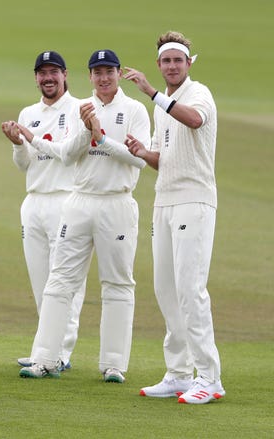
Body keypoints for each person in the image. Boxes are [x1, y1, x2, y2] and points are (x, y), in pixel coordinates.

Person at [13, 49, 150, 383]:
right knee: (59, 281)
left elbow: (139, 160)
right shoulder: (80, 108)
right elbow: (68, 154)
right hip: (79, 201)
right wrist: (83, 131)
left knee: (117, 282)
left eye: (109, 72)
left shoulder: (134, 110)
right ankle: (46, 359)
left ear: (118, 74)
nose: (103, 78)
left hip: (117, 201)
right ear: (89, 77)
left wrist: (101, 136)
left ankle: (114, 364)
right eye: (97, 72)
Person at [123, 31, 225, 404]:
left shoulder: (198, 93)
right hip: (164, 201)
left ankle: (209, 378)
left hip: (193, 201)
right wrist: (139, 152)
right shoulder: (162, 105)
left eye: (177, 60)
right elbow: (161, 160)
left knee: (190, 289)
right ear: (159, 64)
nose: (171, 66)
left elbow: (195, 121)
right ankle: (180, 374)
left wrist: (153, 94)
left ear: (188, 63)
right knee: (166, 289)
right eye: (166, 61)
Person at [1, 50, 86, 371]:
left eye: (54, 72)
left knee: (65, 281)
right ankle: (44, 347)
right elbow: (24, 165)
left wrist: (31, 138)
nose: (48, 78)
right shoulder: (28, 113)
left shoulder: (79, 109)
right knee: (41, 279)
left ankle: (61, 352)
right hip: (34, 200)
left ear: (65, 75)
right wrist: (16, 142)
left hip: (67, 199)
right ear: (36, 77)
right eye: (42, 73)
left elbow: (67, 155)